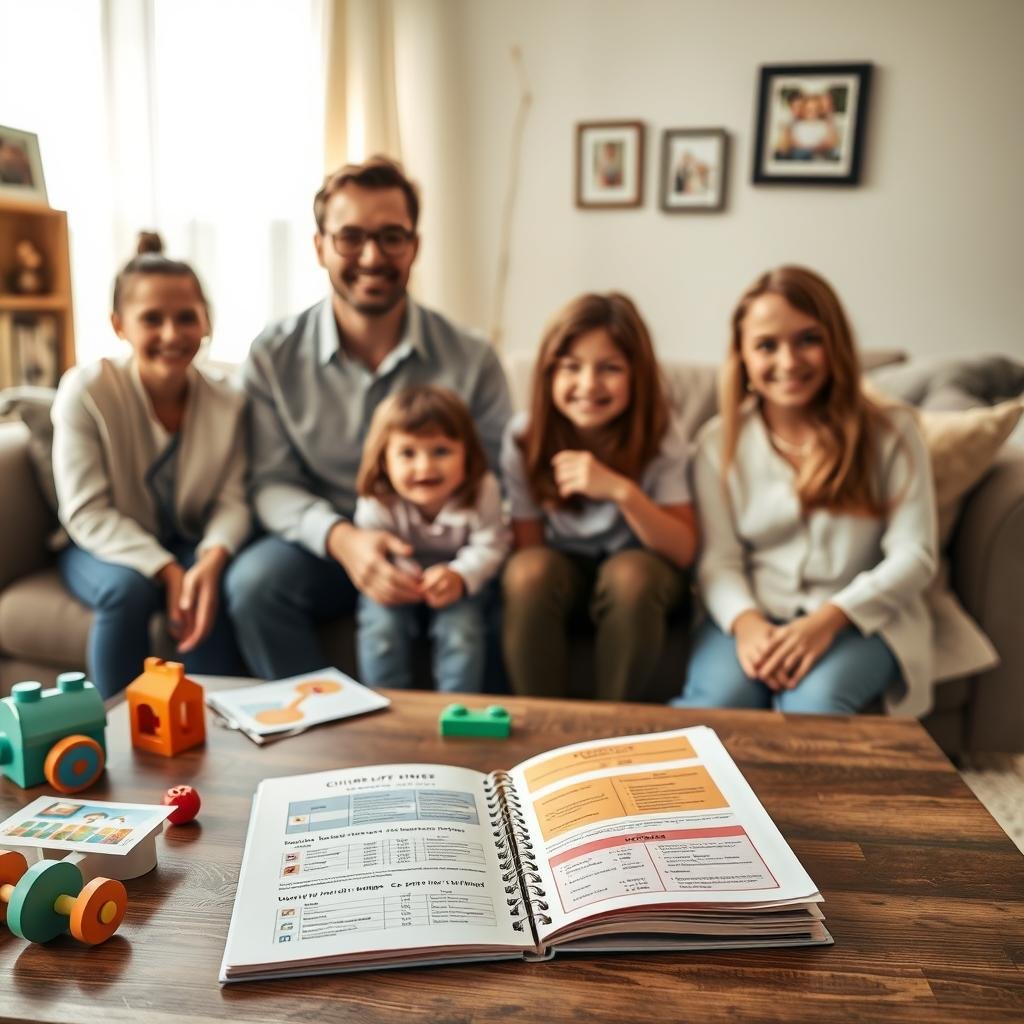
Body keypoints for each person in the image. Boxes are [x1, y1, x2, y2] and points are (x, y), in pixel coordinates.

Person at [225, 156, 512, 681]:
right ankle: (322, 735)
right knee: (253, 583)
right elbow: (268, 481)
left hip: (445, 546)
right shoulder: (273, 354)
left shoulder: (471, 358)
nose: (373, 256)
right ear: (319, 246)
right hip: (325, 545)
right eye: (350, 237)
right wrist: (342, 539)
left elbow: (495, 478)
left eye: (392, 237)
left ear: (415, 246)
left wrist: (457, 565)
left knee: (495, 598)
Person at [675, 266, 937, 715]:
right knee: (719, 702)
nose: (789, 362)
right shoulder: (717, 444)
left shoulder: (893, 433)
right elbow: (719, 560)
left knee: (813, 705)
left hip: (862, 620)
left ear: (835, 342)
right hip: (753, 613)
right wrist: (747, 624)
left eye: (808, 339)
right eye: (766, 345)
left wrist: (829, 620)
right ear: (742, 356)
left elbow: (915, 555)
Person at [51, 233, 250, 698]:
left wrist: (212, 558)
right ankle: (113, 738)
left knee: (209, 591)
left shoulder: (229, 400)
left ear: (206, 322)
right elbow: (86, 512)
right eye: (151, 319)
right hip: (102, 546)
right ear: (120, 326)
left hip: (187, 541)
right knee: (127, 591)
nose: (171, 334)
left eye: (186, 318)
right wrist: (164, 569)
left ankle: (215, 730)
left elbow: (233, 499)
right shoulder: (87, 391)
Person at [501, 292, 698, 701]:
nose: (588, 385)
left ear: (636, 376)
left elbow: (682, 550)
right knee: (528, 572)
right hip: (565, 575)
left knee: (630, 576)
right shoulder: (524, 438)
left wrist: (621, 491)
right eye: (572, 367)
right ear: (549, 373)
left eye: (609, 368)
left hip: (642, 576)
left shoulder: (663, 434)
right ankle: (539, 725)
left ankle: (614, 730)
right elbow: (529, 548)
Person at [353, 385, 510, 692]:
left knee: (461, 632)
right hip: (398, 583)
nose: (424, 467)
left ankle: (457, 713)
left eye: (441, 451)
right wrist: (402, 573)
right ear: (384, 460)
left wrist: (459, 575)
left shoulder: (482, 489)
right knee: (381, 630)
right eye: (407, 453)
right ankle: (388, 711)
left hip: (460, 583)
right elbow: (375, 548)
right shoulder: (377, 499)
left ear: (467, 453)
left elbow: (491, 543)